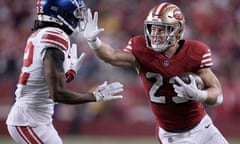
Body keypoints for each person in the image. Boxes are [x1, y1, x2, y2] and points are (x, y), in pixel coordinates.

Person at [83, 2, 229, 144]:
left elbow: (218, 96)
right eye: (152, 28)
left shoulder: (195, 52)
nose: (155, 34)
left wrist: (199, 95)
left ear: (177, 31)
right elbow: (112, 56)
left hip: (203, 127)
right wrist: (94, 41)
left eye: (161, 29)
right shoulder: (141, 49)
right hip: (172, 136)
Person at [6, 0, 124, 143]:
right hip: (29, 120)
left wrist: (68, 74)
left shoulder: (42, 34)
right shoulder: (54, 36)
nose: (78, 18)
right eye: (76, 13)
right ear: (61, 12)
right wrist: (95, 96)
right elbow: (57, 94)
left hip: (35, 118)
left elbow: (45, 83)